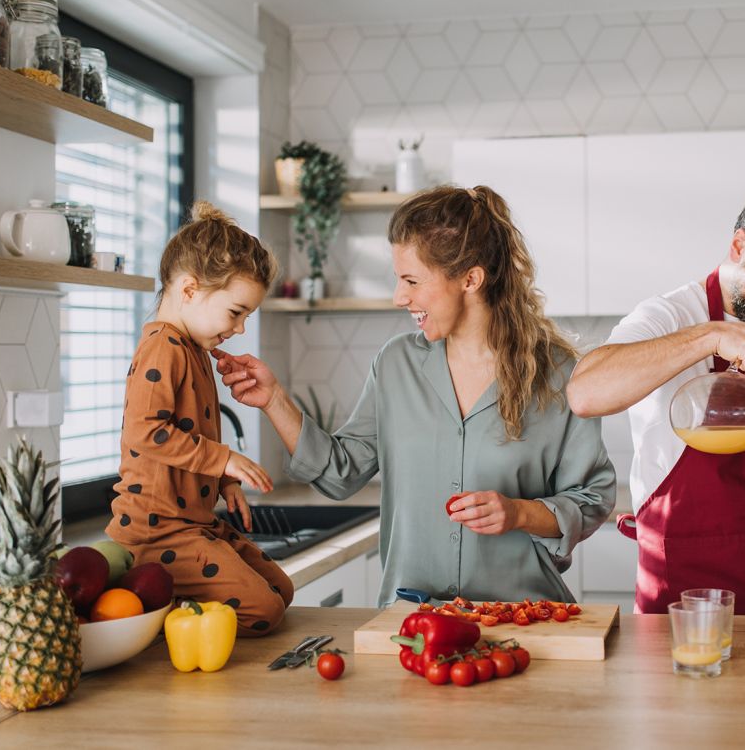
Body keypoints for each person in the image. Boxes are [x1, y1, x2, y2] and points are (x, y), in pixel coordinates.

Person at [213, 185, 616, 606]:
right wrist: (274, 400)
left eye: (411, 280)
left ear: (470, 279)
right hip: (414, 620)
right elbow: (340, 473)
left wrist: (519, 513)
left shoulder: (557, 375)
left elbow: (592, 498)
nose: (398, 297)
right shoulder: (395, 365)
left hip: (523, 615)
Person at [566, 173, 745, 616]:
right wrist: (710, 336)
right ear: (740, 246)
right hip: (682, 597)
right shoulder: (668, 316)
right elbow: (585, 393)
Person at [106, 201, 293, 636]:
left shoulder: (193, 348)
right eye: (236, 312)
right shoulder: (162, 347)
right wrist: (224, 459)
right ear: (189, 290)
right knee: (264, 610)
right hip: (157, 533)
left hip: (192, 523)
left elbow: (190, 432)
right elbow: (146, 431)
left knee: (281, 591)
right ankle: (151, 608)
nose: (240, 328)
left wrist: (224, 482)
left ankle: (159, 606)